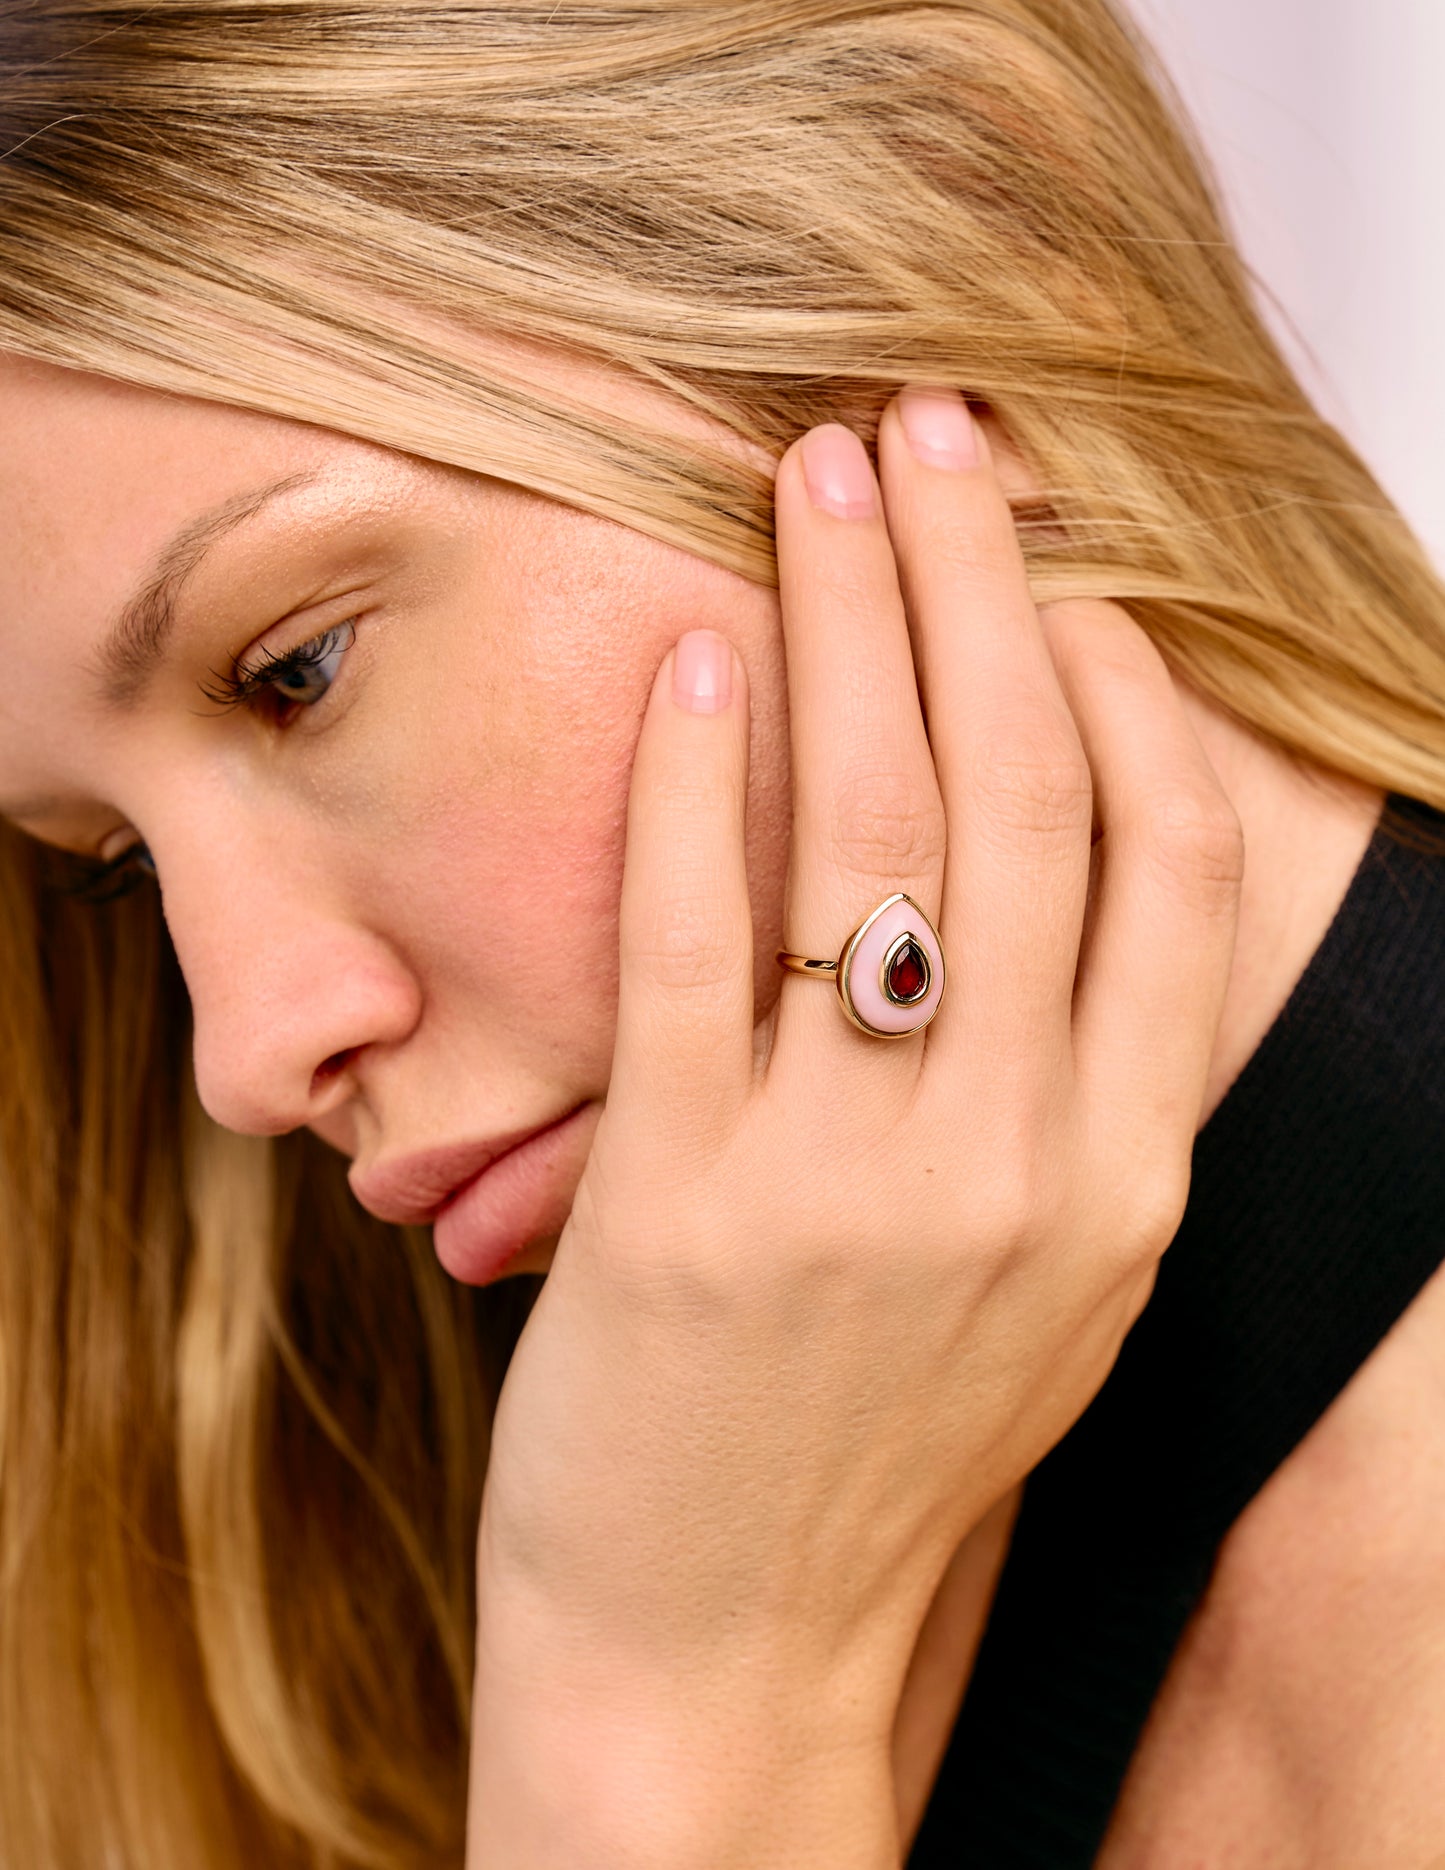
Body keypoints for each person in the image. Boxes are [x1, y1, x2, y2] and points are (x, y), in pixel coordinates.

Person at [1, 2, 1442, 1864]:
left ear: (951, 225)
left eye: (300, 668)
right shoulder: (424, 1519)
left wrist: (663, 1714)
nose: (248, 1051)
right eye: (119, 861)